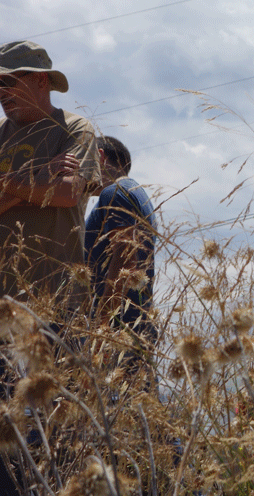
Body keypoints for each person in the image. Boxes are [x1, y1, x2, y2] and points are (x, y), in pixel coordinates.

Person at [0, 40, 99, 314]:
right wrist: (40, 175)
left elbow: (67, 194)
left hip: (57, 297)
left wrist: (7, 183)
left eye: (7, 81)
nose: (1, 92)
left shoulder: (75, 128)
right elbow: (53, 192)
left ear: (41, 79)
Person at [84, 135, 157, 385]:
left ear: (99, 156)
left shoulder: (114, 192)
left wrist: (103, 321)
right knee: (136, 399)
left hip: (118, 324)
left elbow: (125, 258)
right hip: (135, 318)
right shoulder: (136, 193)